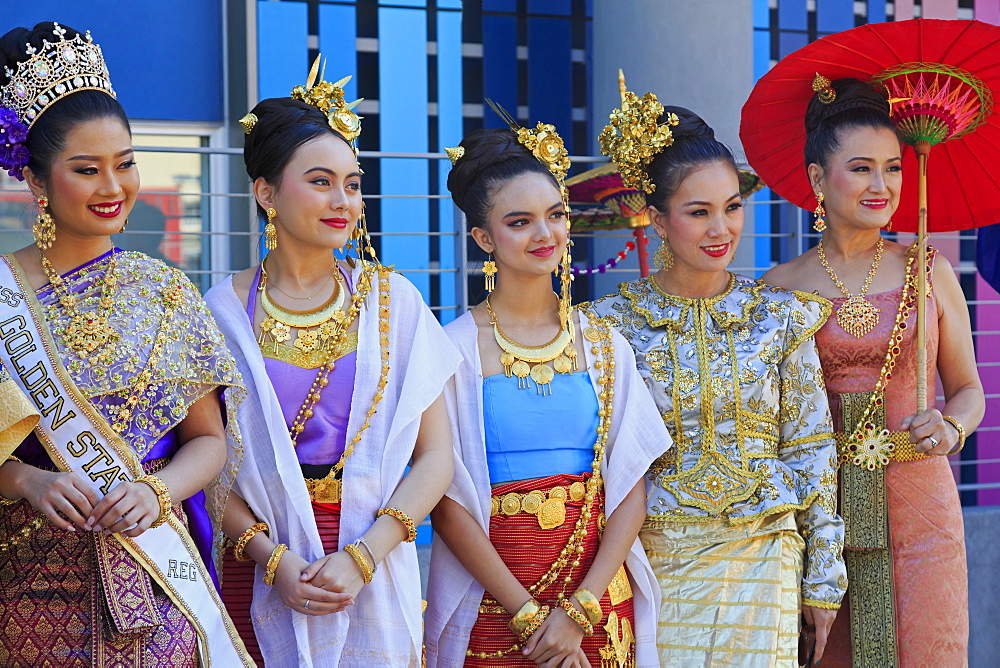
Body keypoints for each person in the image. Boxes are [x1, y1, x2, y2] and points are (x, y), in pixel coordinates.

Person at [0, 22, 251, 665]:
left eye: (126, 163)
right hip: (25, 596)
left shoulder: (164, 290)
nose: (114, 187)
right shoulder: (3, 295)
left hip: (157, 587)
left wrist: (157, 491)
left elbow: (208, 439)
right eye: (87, 169)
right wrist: (25, 478)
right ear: (35, 179)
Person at [204, 59, 459, 666]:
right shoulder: (219, 312)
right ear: (266, 193)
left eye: (352, 182)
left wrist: (362, 556)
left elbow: (436, 457)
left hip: (372, 563)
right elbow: (211, 468)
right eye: (320, 181)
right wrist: (276, 561)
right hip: (259, 564)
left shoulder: (395, 302)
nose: (343, 199)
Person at [588, 92, 847, 666]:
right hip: (654, 560)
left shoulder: (780, 317)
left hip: (767, 557)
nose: (721, 228)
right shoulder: (609, 328)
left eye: (732, 207)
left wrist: (823, 576)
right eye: (698, 211)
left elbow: (810, 448)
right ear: (657, 219)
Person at [424, 117, 665, 668]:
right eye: (520, 221)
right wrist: (528, 613)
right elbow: (448, 499)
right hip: (493, 595)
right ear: (484, 238)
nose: (545, 234)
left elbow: (630, 483)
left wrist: (581, 608)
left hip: (597, 595)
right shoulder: (450, 351)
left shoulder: (606, 345)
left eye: (556, 215)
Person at [759, 76, 983, 667]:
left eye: (894, 168)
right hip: (823, 510)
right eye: (860, 168)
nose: (881, 185)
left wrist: (952, 427)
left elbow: (968, 390)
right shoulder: (777, 289)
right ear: (815, 179)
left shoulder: (928, 269)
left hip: (921, 503)